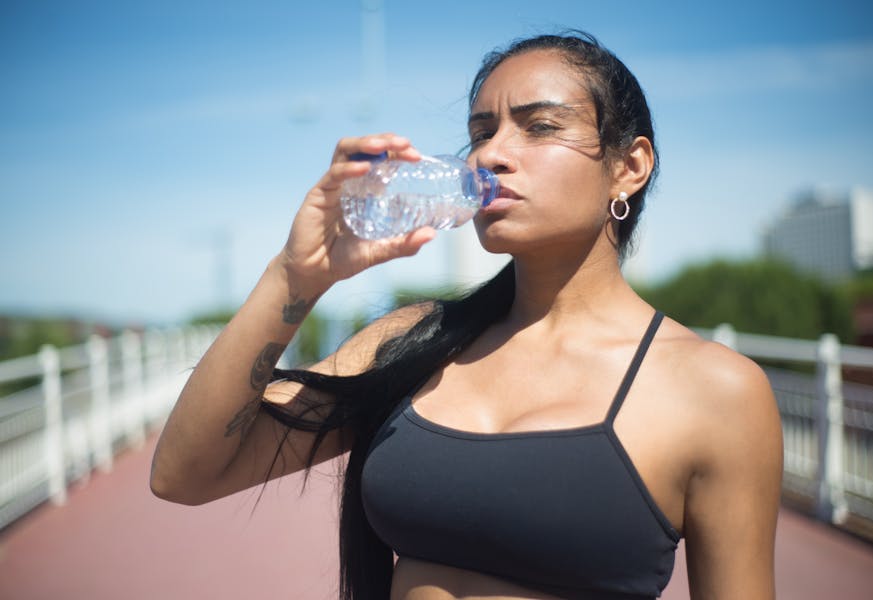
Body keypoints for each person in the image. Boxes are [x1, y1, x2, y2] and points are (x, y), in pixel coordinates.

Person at [151, 31, 783, 600]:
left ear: (629, 167)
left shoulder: (715, 391)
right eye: (482, 133)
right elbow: (184, 474)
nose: (489, 155)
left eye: (539, 126)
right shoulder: (411, 343)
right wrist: (294, 276)